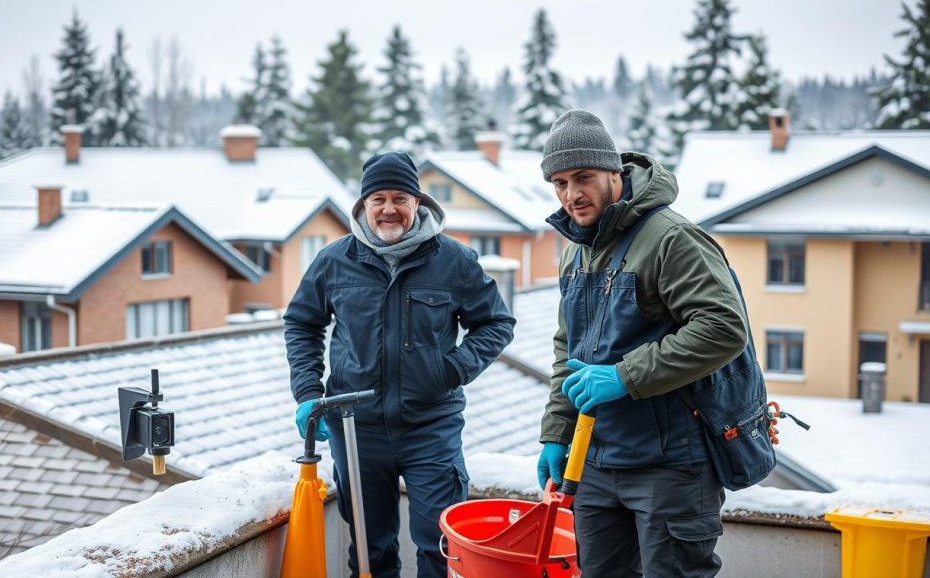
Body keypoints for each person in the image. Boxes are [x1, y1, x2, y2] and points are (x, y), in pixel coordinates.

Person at [535, 110, 748, 578]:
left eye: (584, 177)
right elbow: (566, 350)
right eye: (560, 183)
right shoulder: (576, 250)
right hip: (595, 460)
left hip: (670, 465)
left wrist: (624, 376)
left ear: (615, 172)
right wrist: (556, 432)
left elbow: (724, 326)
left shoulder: (671, 238)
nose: (572, 194)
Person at [284, 151, 515, 578]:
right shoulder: (334, 261)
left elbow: (496, 323)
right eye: (378, 199)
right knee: (371, 553)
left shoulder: (454, 261)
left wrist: (452, 369)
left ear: (417, 204)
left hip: (431, 427)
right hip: (356, 430)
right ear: (363, 206)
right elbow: (301, 323)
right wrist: (309, 394)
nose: (389, 209)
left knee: (440, 548)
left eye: (400, 198)